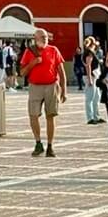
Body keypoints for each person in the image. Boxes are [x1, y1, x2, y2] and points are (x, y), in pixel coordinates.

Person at [20, 29, 67, 157]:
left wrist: (64, 89)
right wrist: (33, 63)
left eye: (46, 36)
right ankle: (38, 143)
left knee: (50, 116)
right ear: (36, 39)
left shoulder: (53, 50)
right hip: (35, 86)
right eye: (42, 37)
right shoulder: (29, 52)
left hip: (51, 86)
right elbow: (22, 72)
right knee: (33, 115)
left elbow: (61, 71)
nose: (45, 38)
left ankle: (50, 146)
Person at [82, 37, 103, 126]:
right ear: (93, 44)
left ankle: (96, 116)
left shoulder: (90, 52)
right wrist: (90, 78)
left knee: (96, 97)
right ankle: (90, 118)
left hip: (95, 76)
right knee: (90, 98)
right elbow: (88, 65)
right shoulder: (89, 52)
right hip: (91, 77)